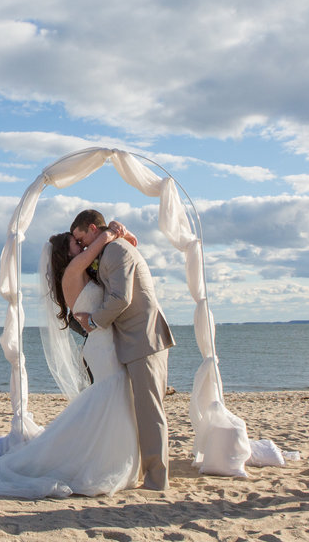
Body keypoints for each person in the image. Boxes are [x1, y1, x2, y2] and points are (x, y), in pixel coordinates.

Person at [0, 224, 140, 497]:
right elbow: (101, 246)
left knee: (110, 399)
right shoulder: (74, 271)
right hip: (102, 347)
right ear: (67, 253)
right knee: (112, 393)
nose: (82, 246)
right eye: (76, 243)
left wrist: (126, 235)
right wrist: (110, 233)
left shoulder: (83, 272)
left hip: (104, 344)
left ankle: (113, 455)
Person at [71, 209, 175, 491]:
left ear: (93, 229)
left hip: (144, 338)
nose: (81, 247)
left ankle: (156, 480)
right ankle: (145, 471)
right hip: (132, 340)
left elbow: (121, 298)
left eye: (81, 239)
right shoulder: (111, 248)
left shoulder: (116, 250)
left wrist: (92, 321)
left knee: (150, 411)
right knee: (140, 410)